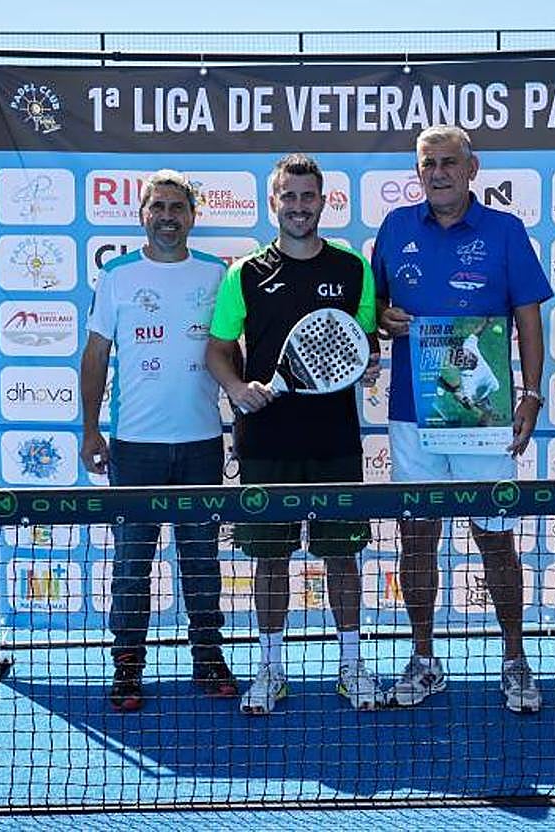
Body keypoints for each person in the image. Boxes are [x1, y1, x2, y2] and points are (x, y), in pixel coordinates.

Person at [373, 125, 553, 714]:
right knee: (417, 539)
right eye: (429, 164)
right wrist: (385, 319)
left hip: (484, 416)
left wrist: (531, 395)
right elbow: (373, 308)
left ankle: (514, 658)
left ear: (472, 168)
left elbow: (528, 318)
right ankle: (424, 659)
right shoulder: (396, 228)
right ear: (418, 170)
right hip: (411, 414)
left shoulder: (505, 231)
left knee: (494, 539)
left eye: (450, 162)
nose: (439, 173)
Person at [205, 153, 383, 715]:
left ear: (323, 201)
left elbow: (364, 340)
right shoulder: (245, 274)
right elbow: (216, 348)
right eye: (289, 196)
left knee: (341, 558)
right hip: (266, 441)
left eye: (308, 196)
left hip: (334, 439)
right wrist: (237, 388)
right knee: (270, 560)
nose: (299, 206)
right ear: (273, 202)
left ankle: (352, 667)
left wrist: (371, 360)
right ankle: (271, 669)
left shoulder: (354, 267)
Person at [79, 169, 239, 712]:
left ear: (193, 216)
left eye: (178, 207)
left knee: (201, 561)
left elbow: (232, 352)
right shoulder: (117, 276)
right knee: (131, 563)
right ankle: (127, 666)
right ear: (142, 214)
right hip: (134, 447)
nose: (168, 216)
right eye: (158, 207)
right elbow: (96, 355)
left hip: (201, 444)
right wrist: (89, 430)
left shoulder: (218, 274)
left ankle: (208, 656)